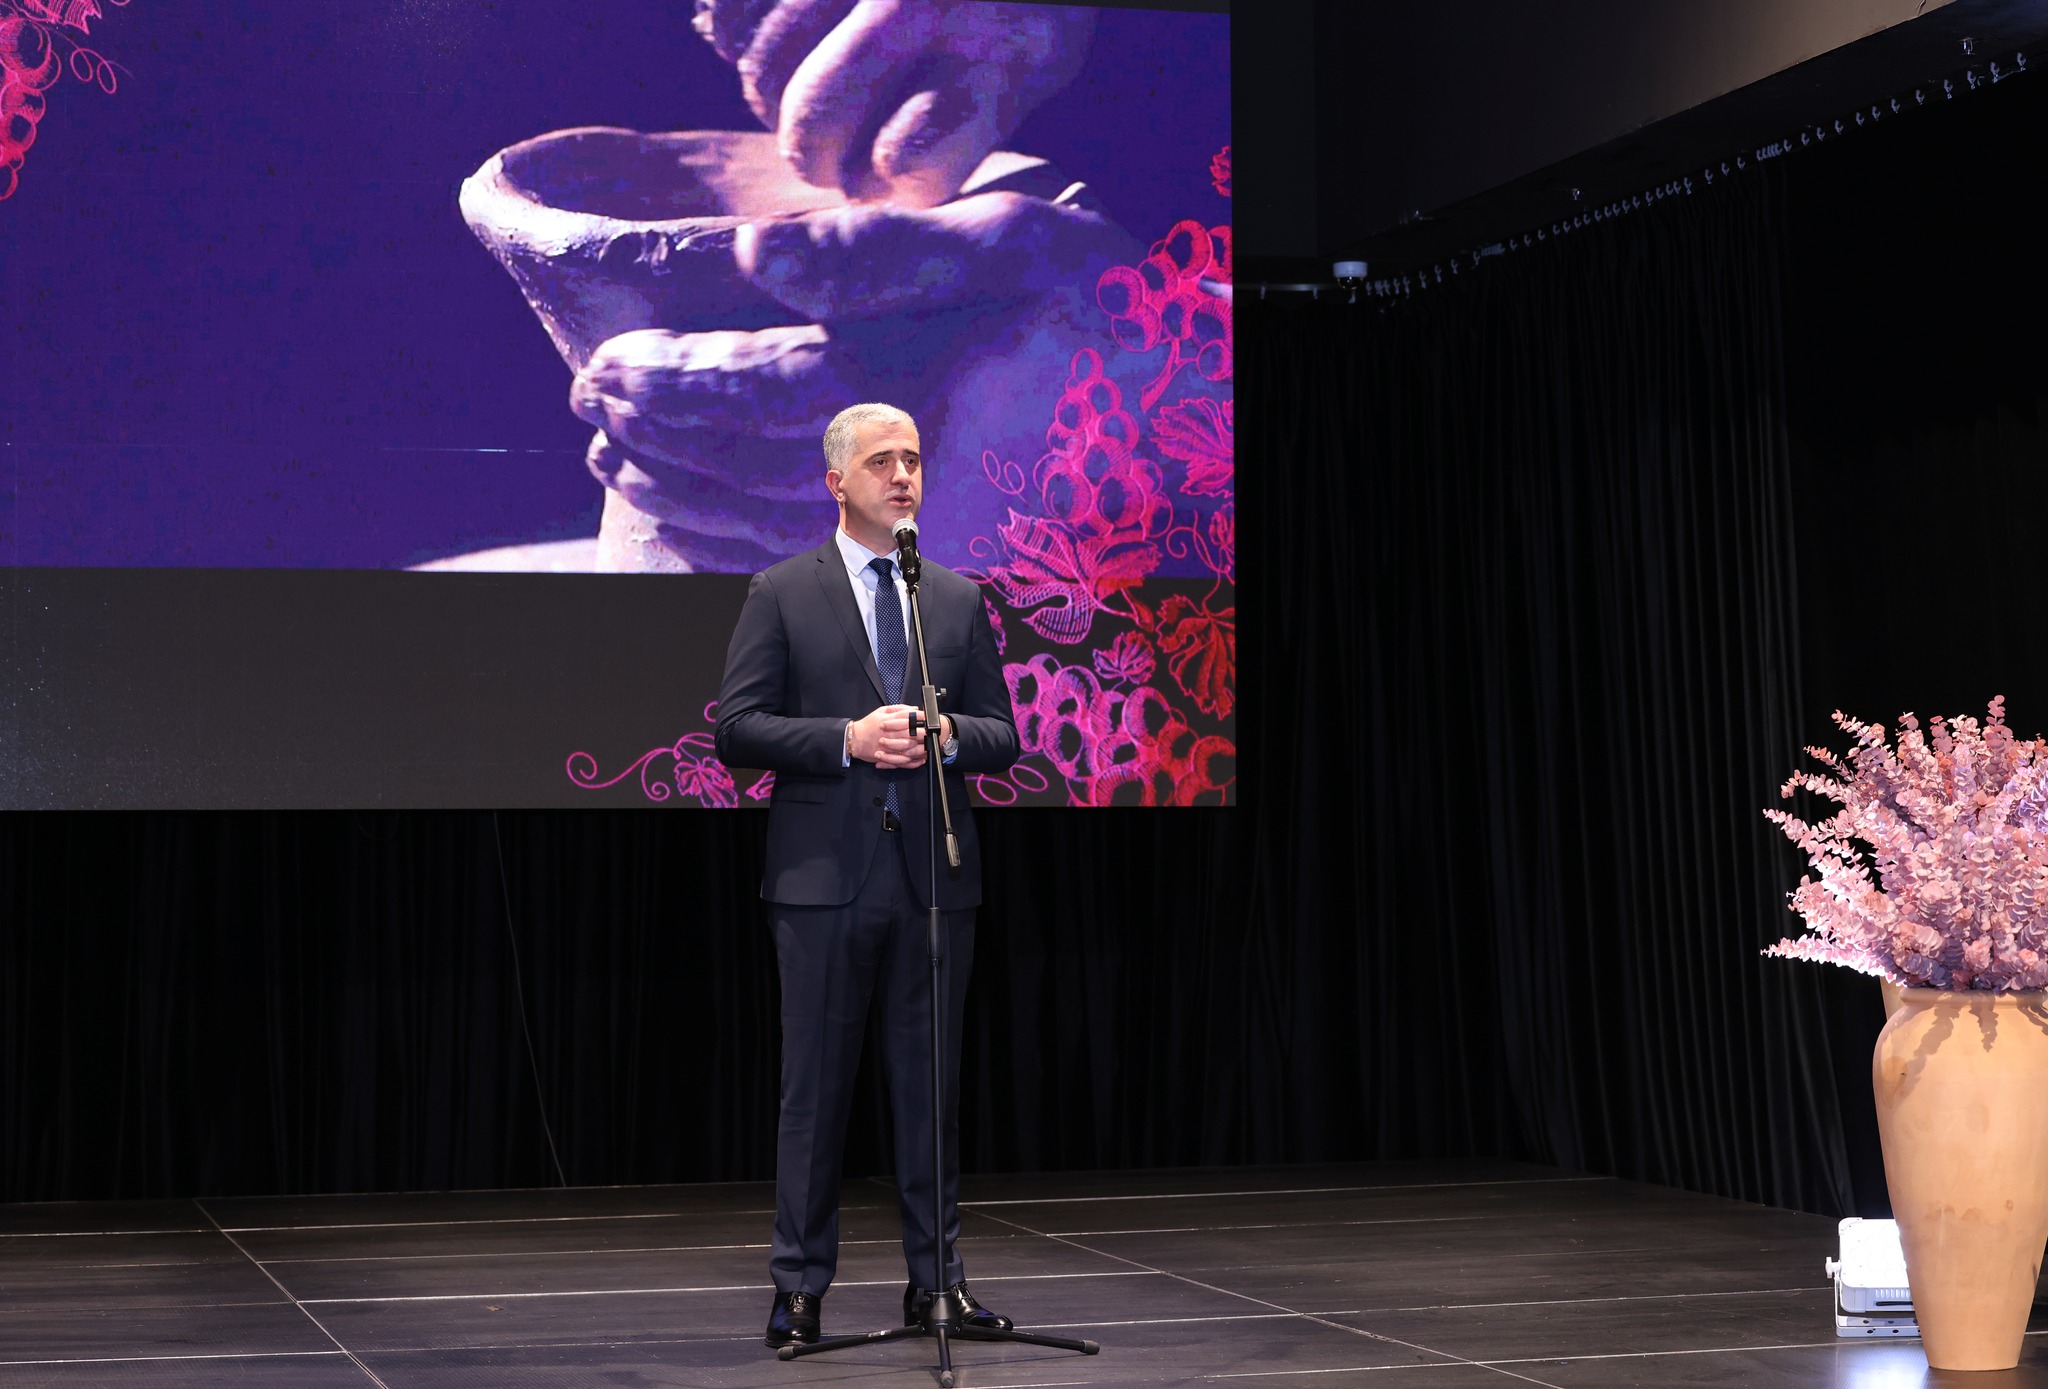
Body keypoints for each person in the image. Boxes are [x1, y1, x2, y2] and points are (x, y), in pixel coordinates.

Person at [714, 401, 1020, 1348]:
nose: (903, 476)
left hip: (932, 879)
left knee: (931, 1092)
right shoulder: (781, 591)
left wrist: (948, 733)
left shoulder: (955, 599)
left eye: (913, 460)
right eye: (882, 461)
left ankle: (939, 1286)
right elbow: (737, 729)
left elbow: (1003, 735)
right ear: (835, 481)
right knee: (815, 1094)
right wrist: (845, 738)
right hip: (821, 883)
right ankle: (800, 1288)